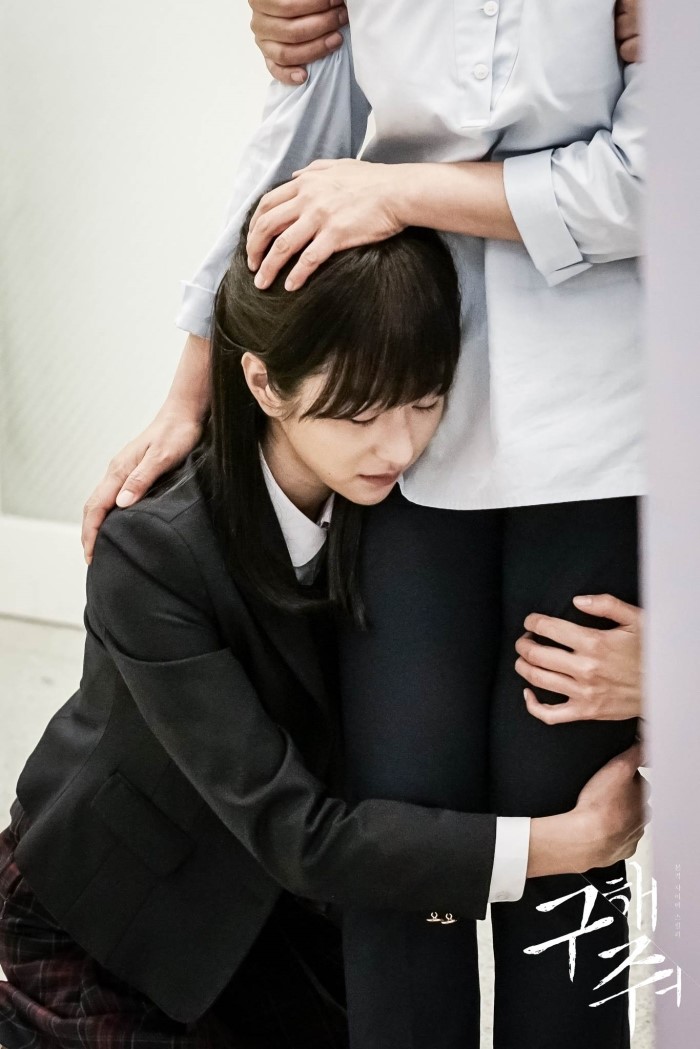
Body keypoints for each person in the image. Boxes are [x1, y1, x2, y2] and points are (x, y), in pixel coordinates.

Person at [79, 4, 646, 1047]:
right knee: (407, 825)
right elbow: (295, 149)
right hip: (417, 392)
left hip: (599, 429)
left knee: (565, 841)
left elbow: (651, 182)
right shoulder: (371, 450)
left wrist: (395, 190)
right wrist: (192, 387)